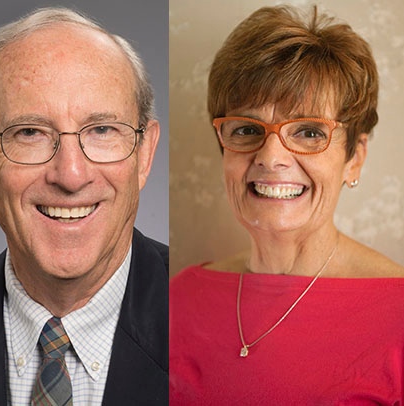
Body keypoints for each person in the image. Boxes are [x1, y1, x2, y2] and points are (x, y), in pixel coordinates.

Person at [169, 5, 404, 403]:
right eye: (246, 129)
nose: (271, 157)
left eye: (309, 132)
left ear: (354, 157)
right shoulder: (176, 299)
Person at [0, 7, 167, 405]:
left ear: (143, 155)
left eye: (102, 130)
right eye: (30, 133)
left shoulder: (204, 319)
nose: (71, 175)